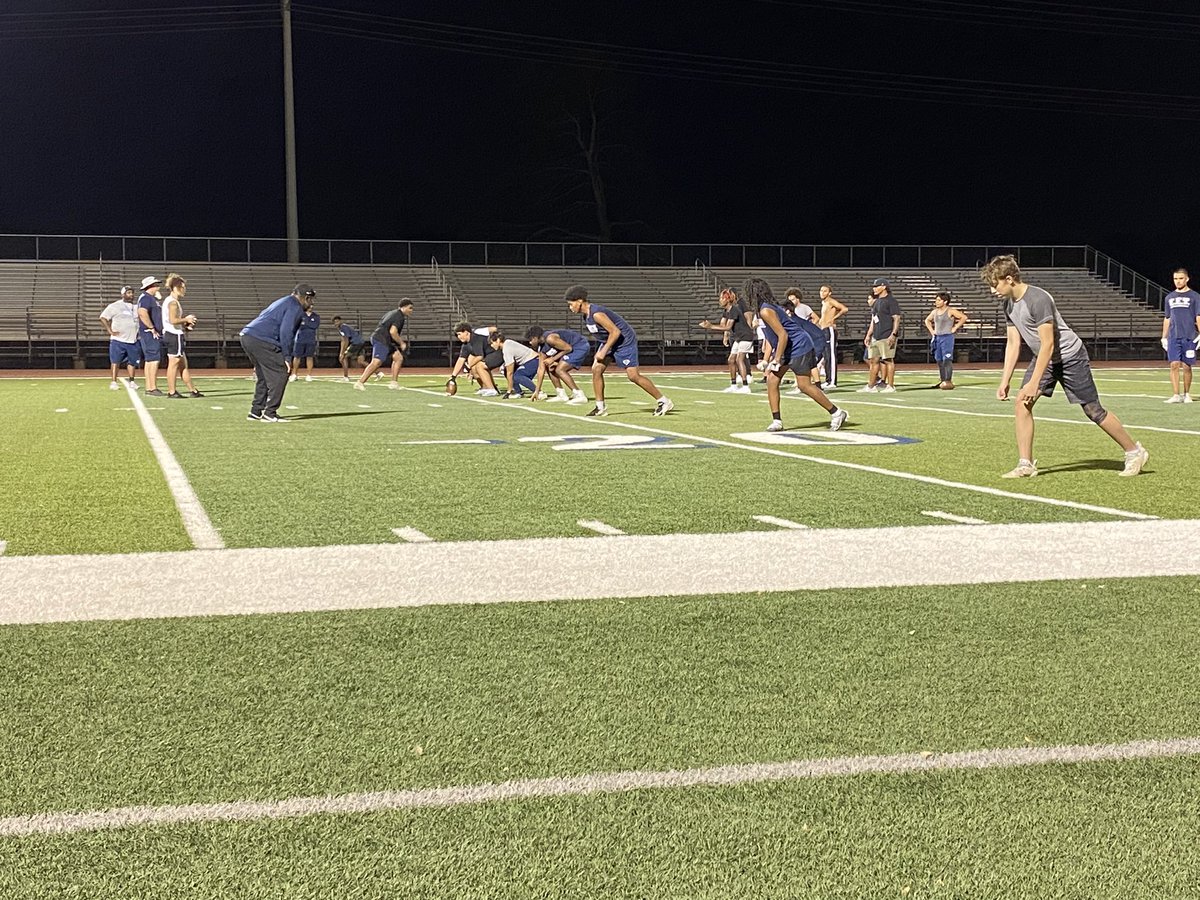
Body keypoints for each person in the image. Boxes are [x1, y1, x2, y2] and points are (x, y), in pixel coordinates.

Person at [982, 254, 1148, 478]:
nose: (993, 290)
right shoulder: (1008, 305)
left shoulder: (1038, 299)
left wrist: (1033, 383)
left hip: (1070, 357)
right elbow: (1013, 343)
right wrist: (1005, 380)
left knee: (1093, 410)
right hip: (1044, 358)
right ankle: (1025, 464)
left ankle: (1134, 452)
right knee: (1022, 403)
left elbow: (1049, 344)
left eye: (995, 285)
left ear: (1009, 279)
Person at [746, 277, 846, 433]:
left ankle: (837, 412)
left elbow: (783, 335)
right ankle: (777, 420)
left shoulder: (766, 309)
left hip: (798, 345)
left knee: (804, 385)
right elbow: (771, 337)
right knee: (772, 380)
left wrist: (777, 359)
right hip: (788, 346)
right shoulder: (763, 310)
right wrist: (768, 359)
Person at [564, 284, 672, 417]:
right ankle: (600, 407)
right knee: (596, 369)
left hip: (624, 341)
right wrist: (602, 348)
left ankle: (664, 401)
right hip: (609, 341)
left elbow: (615, 332)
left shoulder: (596, 313)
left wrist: (604, 351)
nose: (570, 308)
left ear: (580, 301)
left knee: (633, 376)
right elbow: (603, 334)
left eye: (571, 304)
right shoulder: (586, 316)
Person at [239, 283, 311, 422]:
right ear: (305, 297)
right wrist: (287, 357)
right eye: (310, 299)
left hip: (248, 336)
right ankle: (270, 412)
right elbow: (286, 332)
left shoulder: (283, 301)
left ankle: (256, 411)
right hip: (262, 339)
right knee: (281, 372)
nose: (311, 303)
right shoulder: (295, 306)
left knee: (264, 375)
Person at [698, 288, 754, 393]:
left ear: (727, 299)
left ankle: (746, 386)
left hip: (745, 336)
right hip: (739, 337)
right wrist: (711, 326)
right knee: (731, 360)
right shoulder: (727, 311)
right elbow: (723, 324)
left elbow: (728, 327)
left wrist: (711, 326)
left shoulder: (734, 309)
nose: (720, 300)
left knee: (739, 359)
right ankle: (733, 385)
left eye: (722, 298)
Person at [355, 298, 413, 391]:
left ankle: (394, 383)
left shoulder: (392, 313)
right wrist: (401, 343)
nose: (411, 311)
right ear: (404, 307)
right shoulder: (399, 316)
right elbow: (393, 332)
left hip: (385, 339)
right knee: (376, 362)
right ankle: (360, 382)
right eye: (410, 308)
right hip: (382, 339)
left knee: (398, 358)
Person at [161, 273, 203, 399]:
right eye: (182, 287)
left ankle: (192, 390)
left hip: (172, 334)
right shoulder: (173, 302)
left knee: (183, 364)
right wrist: (186, 319)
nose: (184, 290)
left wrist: (186, 325)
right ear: (175, 288)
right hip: (174, 336)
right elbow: (173, 320)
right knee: (174, 364)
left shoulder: (171, 301)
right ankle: (172, 391)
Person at [1161, 267, 1200, 403]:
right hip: (1173, 337)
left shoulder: (1195, 296)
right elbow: (1167, 317)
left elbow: (1198, 316)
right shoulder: (1169, 297)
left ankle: (1187, 394)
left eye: (1181, 278)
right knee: (1174, 364)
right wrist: (1163, 337)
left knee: (1187, 366)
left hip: (1189, 336)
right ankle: (1176, 395)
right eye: (1175, 279)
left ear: (1187, 279)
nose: (1178, 281)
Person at [524, 325, 589, 403]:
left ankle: (579, 395)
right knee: (550, 367)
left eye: (530, 340)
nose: (530, 342)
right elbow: (541, 369)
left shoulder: (550, 338)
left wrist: (553, 359)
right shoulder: (541, 349)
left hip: (579, 345)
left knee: (560, 369)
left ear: (535, 338)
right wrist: (537, 391)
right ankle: (561, 394)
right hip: (570, 349)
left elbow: (568, 348)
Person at [860, 277, 901, 393]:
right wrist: (868, 335)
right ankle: (871, 386)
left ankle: (891, 386)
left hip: (887, 334)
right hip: (876, 335)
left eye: (876, 286)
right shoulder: (877, 302)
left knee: (888, 360)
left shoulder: (891, 301)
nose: (874, 289)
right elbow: (874, 320)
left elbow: (896, 318)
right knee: (873, 360)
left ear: (884, 287)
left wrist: (893, 334)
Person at [783, 287, 827, 390]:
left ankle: (805, 385)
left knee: (805, 362)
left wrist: (810, 328)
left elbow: (815, 319)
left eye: (793, 299)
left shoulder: (800, 311)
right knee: (811, 363)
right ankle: (816, 386)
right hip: (809, 338)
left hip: (812, 338)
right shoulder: (793, 316)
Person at [923, 291, 969, 389]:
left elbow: (963, 317)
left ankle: (948, 380)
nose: (936, 302)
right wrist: (932, 331)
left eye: (939, 300)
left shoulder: (950, 311)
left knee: (947, 359)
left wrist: (955, 328)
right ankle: (942, 380)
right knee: (939, 360)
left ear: (945, 301)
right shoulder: (934, 312)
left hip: (947, 337)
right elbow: (927, 320)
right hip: (938, 337)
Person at [99, 285, 142, 391]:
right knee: (115, 361)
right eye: (128, 293)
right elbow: (103, 317)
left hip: (133, 340)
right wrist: (110, 331)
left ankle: (132, 381)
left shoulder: (136, 307)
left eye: (132, 293)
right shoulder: (115, 306)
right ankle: (113, 382)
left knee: (132, 362)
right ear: (123, 294)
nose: (131, 295)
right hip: (118, 340)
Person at [448, 322, 501, 397]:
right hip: (489, 356)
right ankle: (485, 387)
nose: (458, 337)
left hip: (497, 353)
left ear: (466, 332)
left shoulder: (476, 339)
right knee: (474, 368)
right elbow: (460, 360)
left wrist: (468, 366)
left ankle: (492, 389)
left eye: (459, 334)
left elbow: (480, 356)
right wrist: (453, 376)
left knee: (479, 365)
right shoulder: (465, 345)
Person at [135, 275, 166, 396]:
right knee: (154, 360)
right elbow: (142, 312)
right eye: (156, 285)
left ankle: (150, 387)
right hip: (150, 333)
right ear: (151, 286)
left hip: (148, 333)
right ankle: (152, 387)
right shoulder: (146, 298)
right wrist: (151, 328)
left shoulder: (148, 298)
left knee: (150, 360)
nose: (158, 287)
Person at [489, 332, 542, 398]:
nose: (491, 345)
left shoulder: (506, 348)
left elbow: (510, 372)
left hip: (534, 361)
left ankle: (538, 392)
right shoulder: (507, 343)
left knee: (517, 375)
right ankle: (518, 392)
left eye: (492, 343)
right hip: (530, 361)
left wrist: (509, 391)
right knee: (507, 371)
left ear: (498, 340)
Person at [817, 284, 849, 388]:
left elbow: (844, 309)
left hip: (829, 329)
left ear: (829, 293)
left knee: (831, 356)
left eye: (825, 291)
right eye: (821, 291)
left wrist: (834, 318)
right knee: (826, 356)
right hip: (823, 330)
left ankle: (832, 381)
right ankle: (827, 379)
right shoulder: (824, 303)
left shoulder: (831, 301)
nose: (822, 293)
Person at [290, 302, 321, 383]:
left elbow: (315, 326)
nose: (311, 307)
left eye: (312, 305)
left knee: (309, 357)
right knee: (297, 356)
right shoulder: (300, 315)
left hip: (311, 339)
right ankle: (294, 374)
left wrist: (305, 324)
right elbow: (297, 325)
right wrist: (307, 324)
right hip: (300, 339)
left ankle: (309, 375)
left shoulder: (316, 316)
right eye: (310, 305)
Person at [332, 316, 370, 382]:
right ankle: (378, 373)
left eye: (337, 321)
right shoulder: (342, 328)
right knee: (361, 361)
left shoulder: (343, 327)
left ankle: (345, 376)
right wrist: (341, 351)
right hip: (361, 342)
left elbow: (346, 340)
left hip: (356, 343)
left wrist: (343, 352)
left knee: (343, 358)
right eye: (335, 322)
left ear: (341, 321)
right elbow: (342, 340)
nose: (336, 323)